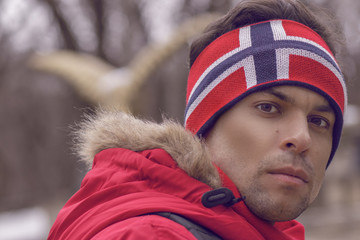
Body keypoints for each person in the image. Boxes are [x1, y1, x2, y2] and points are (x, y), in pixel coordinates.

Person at [48, 0, 347, 239]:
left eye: (319, 121)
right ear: (206, 125)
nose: (302, 137)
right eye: (269, 108)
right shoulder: (149, 235)